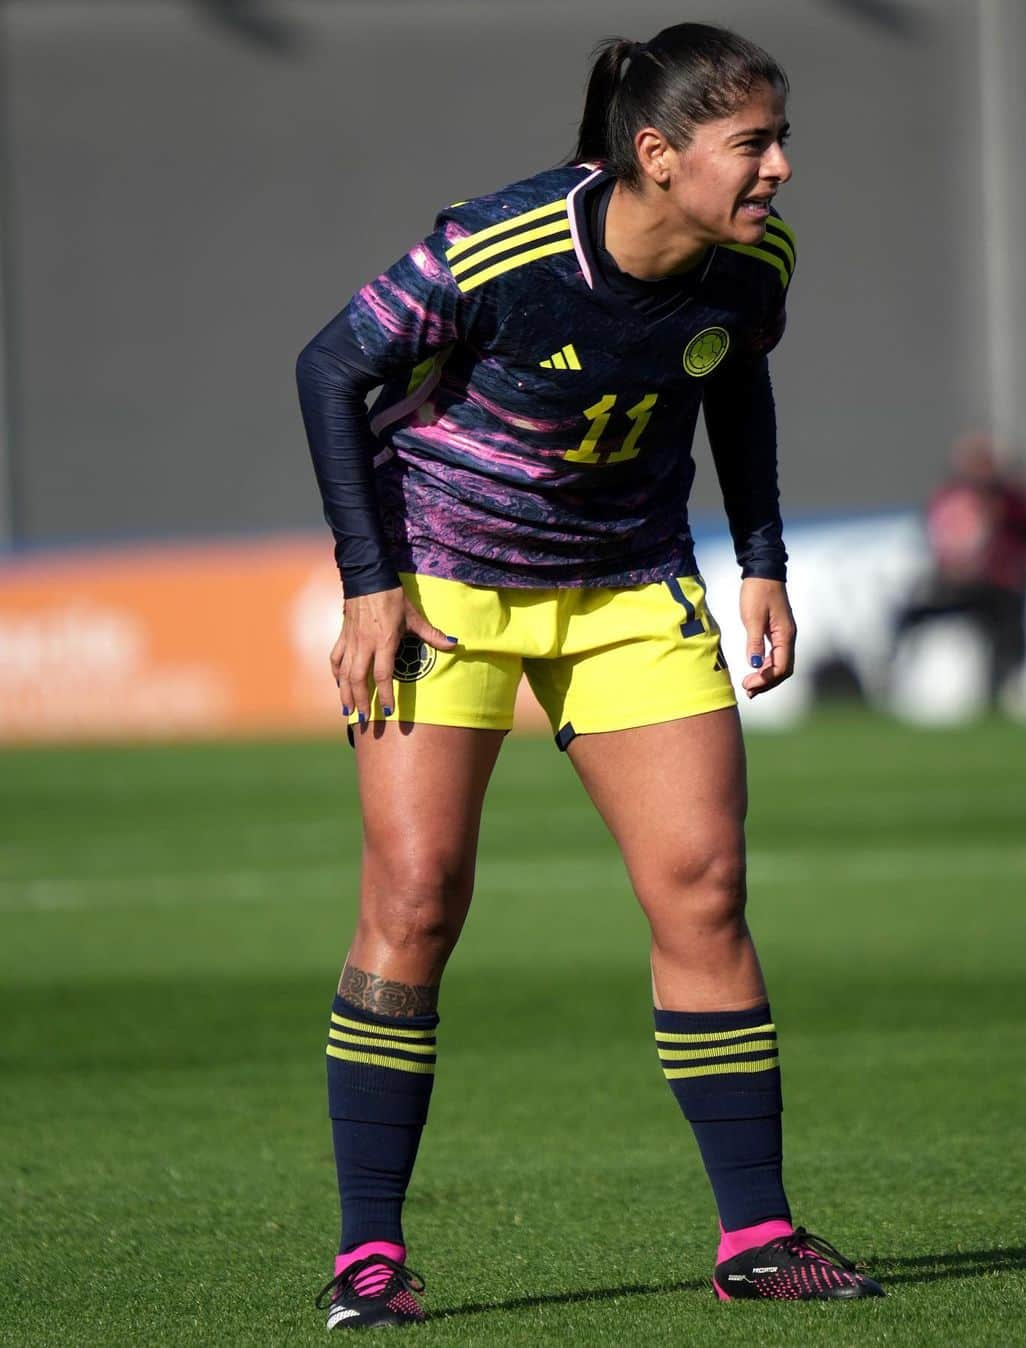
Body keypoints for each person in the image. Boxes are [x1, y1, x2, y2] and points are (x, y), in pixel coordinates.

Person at [297, 22, 883, 1330]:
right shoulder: (504, 247)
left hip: (628, 589)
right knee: (416, 898)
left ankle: (760, 1237)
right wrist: (366, 581)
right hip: (443, 585)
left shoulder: (753, 260)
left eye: (782, 138)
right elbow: (331, 366)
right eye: (754, 144)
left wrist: (765, 556)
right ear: (659, 156)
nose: (781, 167)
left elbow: (737, 382)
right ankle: (369, 1257)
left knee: (706, 889)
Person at [895, 432, 1026, 703]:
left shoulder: (1011, 502)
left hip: (997, 586)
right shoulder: (949, 499)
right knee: (905, 616)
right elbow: (936, 540)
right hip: (953, 585)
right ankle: (893, 686)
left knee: (1007, 625)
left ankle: (998, 690)